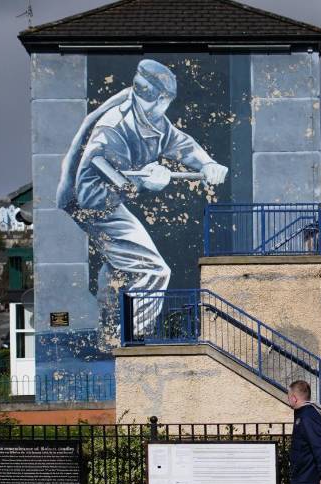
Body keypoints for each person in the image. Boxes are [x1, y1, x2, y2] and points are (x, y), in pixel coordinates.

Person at [57, 58, 229, 338]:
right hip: (91, 202)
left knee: (120, 267)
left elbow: (180, 144)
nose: (141, 97)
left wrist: (207, 164)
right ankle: (135, 337)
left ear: (164, 100)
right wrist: (143, 182)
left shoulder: (152, 119)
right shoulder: (114, 128)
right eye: (139, 88)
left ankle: (110, 335)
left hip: (102, 198)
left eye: (147, 93)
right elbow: (91, 191)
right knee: (153, 269)